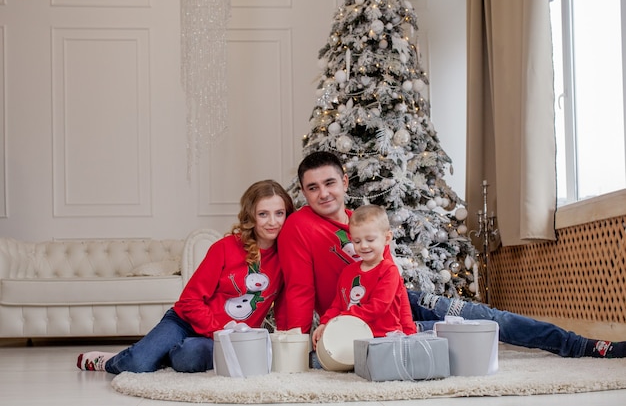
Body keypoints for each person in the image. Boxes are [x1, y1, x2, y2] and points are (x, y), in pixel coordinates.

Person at [278, 151, 626, 358]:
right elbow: (298, 289)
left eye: (329, 183)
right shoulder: (299, 226)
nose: (323, 194)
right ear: (304, 193)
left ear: (345, 182)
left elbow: (386, 270)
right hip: (369, 320)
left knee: (487, 315)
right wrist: (295, 345)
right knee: (475, 327)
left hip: (399, 298)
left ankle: (584, 346)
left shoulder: (361, 222)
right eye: (313, 188)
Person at [77, 179, 295, 373]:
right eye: (263, 214)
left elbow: (287, 303)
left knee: (190, 358)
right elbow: (189, 301)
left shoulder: (287, 256)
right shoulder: (225, 248)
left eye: (279, 213)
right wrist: (218, 331)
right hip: (185, 322)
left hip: (225, 339)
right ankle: (109, 361)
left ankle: (164, 353)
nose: (273, 222)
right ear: (251, 216)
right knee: (138, 364)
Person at [312, 204, 416, 350]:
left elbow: (378, 307)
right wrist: (325, 322)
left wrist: (342, 318)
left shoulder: (388, 271)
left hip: (383, 340)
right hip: (352, 337)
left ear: (387, 238)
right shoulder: (348, 272)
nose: (364, 246)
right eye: (357, 241)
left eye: (370, 240)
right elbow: (337, 304)